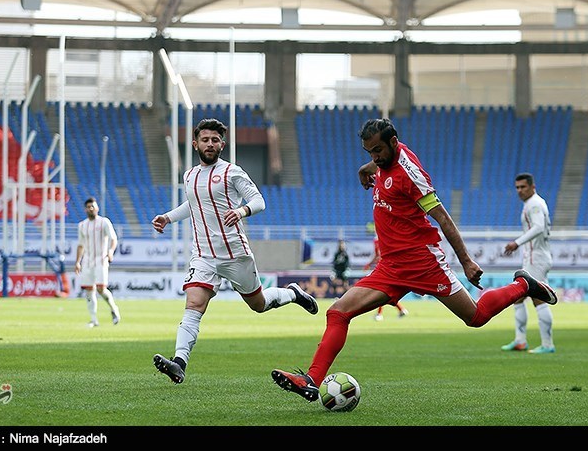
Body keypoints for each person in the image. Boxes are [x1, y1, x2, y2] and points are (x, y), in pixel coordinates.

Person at [270, 118, 557, 403]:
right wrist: (366, 167)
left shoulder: (411, 176)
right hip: (390, 266)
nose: (375, 157)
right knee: (338, 312)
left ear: (393, 143)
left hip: (423, 264)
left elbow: (442, 217)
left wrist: (467, 261)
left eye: (378, 151)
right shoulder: (385, 159)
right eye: (369, 152)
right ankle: (311, 381)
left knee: (476, 317)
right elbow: (381, 163)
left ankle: (523, 285)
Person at [151, 118, 319, 384]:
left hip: (234, 254)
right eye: (205, 139)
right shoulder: (189, 175)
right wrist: (168, 217)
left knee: (258, 304)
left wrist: (241, 210)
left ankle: (292, 293)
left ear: (222, 144)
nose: (210, 144)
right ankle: (179, 362)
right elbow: (192, 204)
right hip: (203, 255)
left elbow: (259, 201)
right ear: (195, 143)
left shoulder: (232, 172)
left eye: (215, 140)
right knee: (194, 304)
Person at [501, 173, 556, 354]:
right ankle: (520, 341)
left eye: (523, 187)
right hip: (533, 257)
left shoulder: (534, 204)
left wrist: (517, 243)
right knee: (518, 297)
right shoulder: (532, 204)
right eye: (517, 187)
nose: (519, 191)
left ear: (532, 187)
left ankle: (547, 344)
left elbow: (539, 227)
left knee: (538, 298)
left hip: (537, 257)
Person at [74, 196, 121, 328]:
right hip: (87, 261)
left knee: (101, 288)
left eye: (93, 206)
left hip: (101, 259)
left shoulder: (104, 222)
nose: (91, 209)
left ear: (97, 208)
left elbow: (113, 239)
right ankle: (94, 319)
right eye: (88, 207)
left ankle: (114, 308)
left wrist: (111, 251)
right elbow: (80, 245)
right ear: (85, 209)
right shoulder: (82, 225)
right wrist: (78, 262)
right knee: (89, 290)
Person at [363, 234, 408, 320]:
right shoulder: (376, 240)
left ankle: (380, 314)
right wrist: (369, 264)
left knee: (381, 291)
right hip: (381, 267)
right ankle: (401, 310)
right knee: (384, 291)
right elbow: (377, 255)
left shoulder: (387, 236)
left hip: (387, 267)